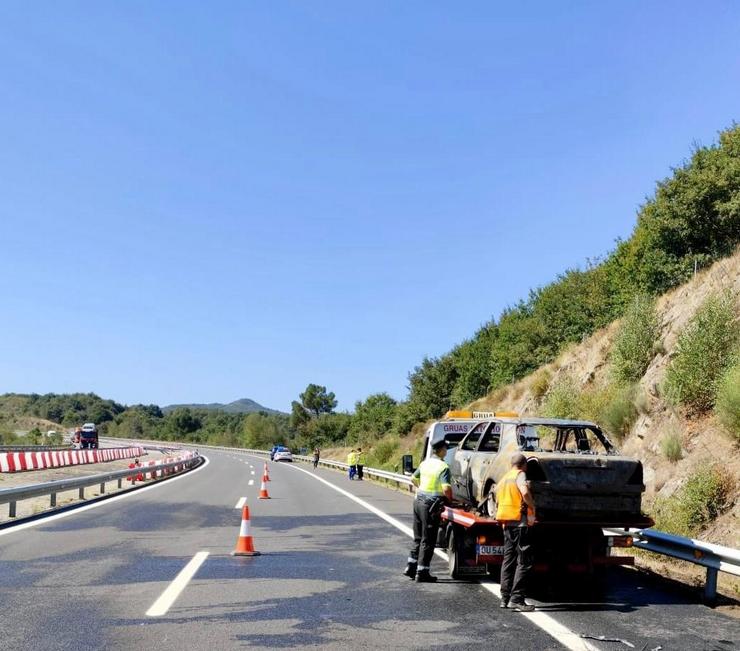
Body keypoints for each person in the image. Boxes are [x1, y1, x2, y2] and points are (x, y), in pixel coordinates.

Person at [404, 439, 452, 583]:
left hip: (418, 502)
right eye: (445, 449)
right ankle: (422, 571)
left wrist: (420, 489)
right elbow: (446, 488)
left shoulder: (425, 463)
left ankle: (411, 567)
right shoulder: (443, 467)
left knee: (418, 537)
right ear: (442, 450)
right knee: (428, 539)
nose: (446, 451)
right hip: (430, 506)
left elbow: (413, 478)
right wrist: (450, 500)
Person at [495, 452, 536, 612]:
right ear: (524, 465)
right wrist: (532, 505)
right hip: (520, 523)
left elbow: (498, 499)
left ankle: (504, 598)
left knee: (508, 560)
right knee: (524, 562)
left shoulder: (504, 478)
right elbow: (524, 493)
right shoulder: (520, 475)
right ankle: (517, 599)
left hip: (507, 523)